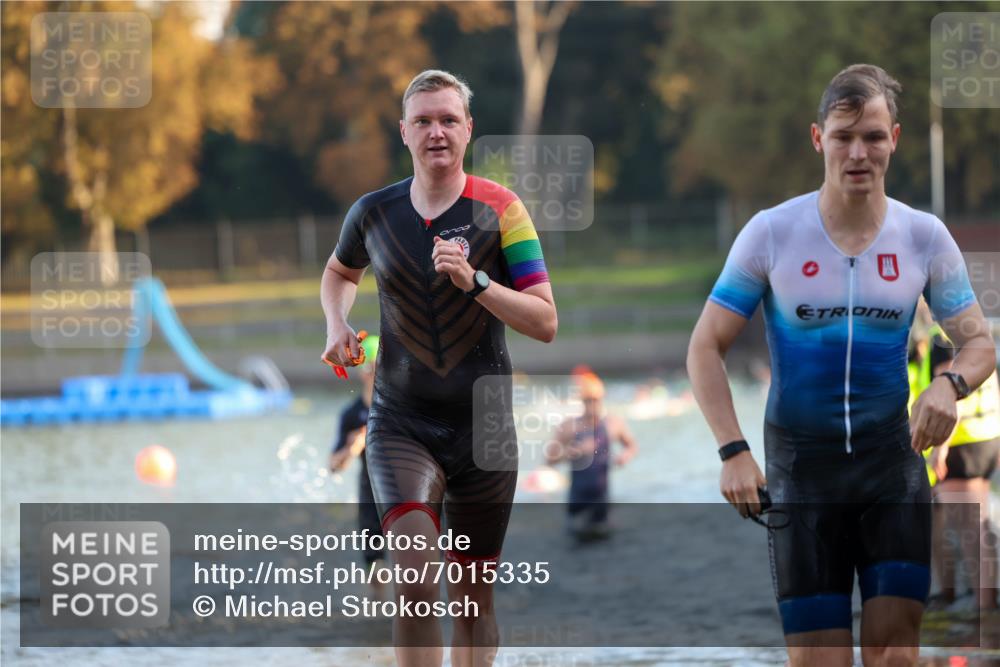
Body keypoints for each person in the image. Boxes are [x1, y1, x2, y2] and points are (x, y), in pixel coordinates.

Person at [686, 64, 996, 667]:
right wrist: (732, 451)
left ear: (895, 141)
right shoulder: (771, 234)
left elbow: (979, 343)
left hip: (892, 472)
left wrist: (948, 385)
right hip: (804, 477)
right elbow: (704, 348)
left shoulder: (924, 237)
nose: (859, 152)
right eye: (843, 136)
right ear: (817, 138)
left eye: (873, 137)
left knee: (893, 657)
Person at [320, 69, 557, 667]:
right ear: (404, 132)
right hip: (402, 421)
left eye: (448, 120)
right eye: (423, 121)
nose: (436, 132)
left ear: (468, 129)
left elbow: (545, 321)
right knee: (417, 583)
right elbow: (339, 273)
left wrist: (475, 282)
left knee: (474, 602)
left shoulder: (502, 210)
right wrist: (336, 324)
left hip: (486, 427)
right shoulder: (373, 213)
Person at [912, 329, 1000, 611]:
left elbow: (949, 394)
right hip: (986, 437)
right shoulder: (974, 335)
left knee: (970, 529)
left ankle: (984, 606)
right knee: (979, 525)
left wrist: (941, 448)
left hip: (961, 442)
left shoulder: (942, 339)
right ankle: (985, 601)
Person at [545, 372, 637, 541]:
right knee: (578, 540)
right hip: (577, 500)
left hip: (602, 499)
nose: (592, 405)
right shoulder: (569, 427)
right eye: (587, 401)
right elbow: (549, 460)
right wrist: (573, 452)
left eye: (595, 400)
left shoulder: (613, 424)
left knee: (605, 541)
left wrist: (625, 456)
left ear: (601, 400)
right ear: (581, 401)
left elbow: (631, 445)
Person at [328, 334, 387, 596]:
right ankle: (379, 616)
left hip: (409, 489)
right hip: (370, 495)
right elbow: (333, 466)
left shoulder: (405, 408)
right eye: (372, 368)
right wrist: (353, 448)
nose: (376, 374)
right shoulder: (352, 414)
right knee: (375, 566)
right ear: (364, 372)